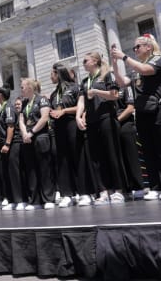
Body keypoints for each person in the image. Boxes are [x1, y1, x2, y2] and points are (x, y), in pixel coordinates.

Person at [112, 35, 161, 201]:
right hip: (142, 112)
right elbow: (122, 82)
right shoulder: (136, 68)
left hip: (159, 109)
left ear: (148, 47)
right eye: (134, 48)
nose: (135, 50)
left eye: (137, 47)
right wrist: (115, 63)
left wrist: (124, 57)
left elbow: (145, 70)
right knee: (148, 150)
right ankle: (155, 186)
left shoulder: (158, 59)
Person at [76, 52, 126, 204]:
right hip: (91, 121)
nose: (83, 63)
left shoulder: (106, 75)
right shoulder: (85, 81)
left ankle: (118, 190)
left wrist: (96, 91)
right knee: (96, 157)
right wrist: (78, 116)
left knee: (112, 153)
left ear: (95, 61)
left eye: (86, 60)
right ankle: (103, 191)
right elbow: (81, 101)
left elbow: (114, 95)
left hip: (106, 118)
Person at [49, 63, 84, 208]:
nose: (50, 76)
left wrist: (64, 111)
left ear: (58, 73)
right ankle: (67, 194)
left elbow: (81, 106)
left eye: (52, 73)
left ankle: (84, 192)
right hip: (58, 128)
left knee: (78, 156)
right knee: (62, 161)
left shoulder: (74, 88)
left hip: (72, 125)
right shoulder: (53, 94)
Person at [19, 78, 55, 210]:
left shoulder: (42, 100)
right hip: (27, 139)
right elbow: (21, 120)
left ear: (29, 87)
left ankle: (48, 198)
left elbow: (44, 118)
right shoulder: (24, 103)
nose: (21, 89)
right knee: (31, 170)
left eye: (22, 87)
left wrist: (32, 132)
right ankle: (35, 200)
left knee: (44, 169)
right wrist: (24, 133)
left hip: (40, 136)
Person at [0, 86, 23, 211]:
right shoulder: (2, 108)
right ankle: (11, 199)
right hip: (4, 144)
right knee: (7, 173)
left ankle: (20, 200)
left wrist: (7, 143)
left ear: (1, 95)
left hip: (12, 144)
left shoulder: (9, 107)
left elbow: (10, 127)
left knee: (14, 172)